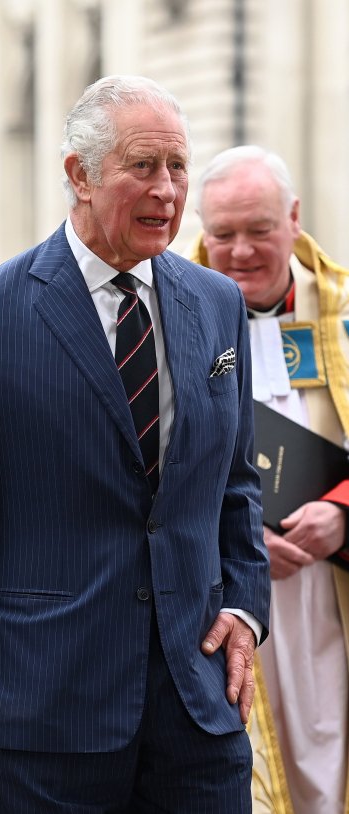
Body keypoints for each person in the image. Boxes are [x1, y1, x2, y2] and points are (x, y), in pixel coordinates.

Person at [0, 76, 270, 814]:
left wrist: (245, 607)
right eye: (142, 166)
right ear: (77, 175)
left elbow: (236, 484)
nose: (166, 190)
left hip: (197, 703)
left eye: (177, 166)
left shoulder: (216, 304)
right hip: (43, 706)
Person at [189, 144, 349, 814]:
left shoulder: (340, 311)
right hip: (224, 595)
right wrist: (236, 529)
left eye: (258, 230)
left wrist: (344, 512)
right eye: (221, 234)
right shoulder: (170, 320)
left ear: (293, 217)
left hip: (334, 587)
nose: (240, 251)